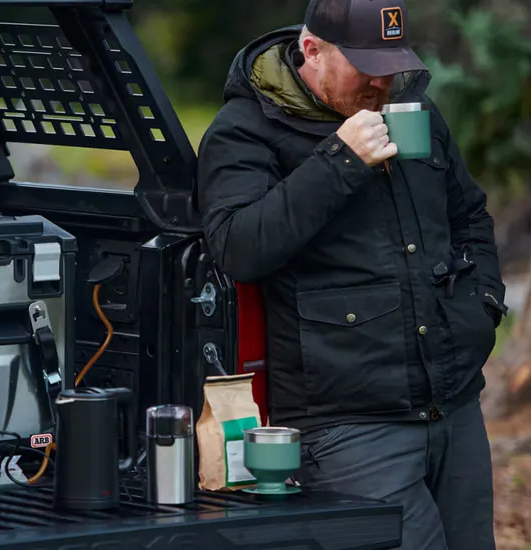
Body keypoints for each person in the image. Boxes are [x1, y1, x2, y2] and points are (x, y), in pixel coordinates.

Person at [196, 0, 507, 548]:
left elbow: (469, 216)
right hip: (349, 425)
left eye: (392, 65)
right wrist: (338, 159)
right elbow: (238, 248)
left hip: (454, 404)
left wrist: (481, 307)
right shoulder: (245, 130)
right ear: (311, 49)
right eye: (365, 64)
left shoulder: (412, 108)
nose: (382, 81)